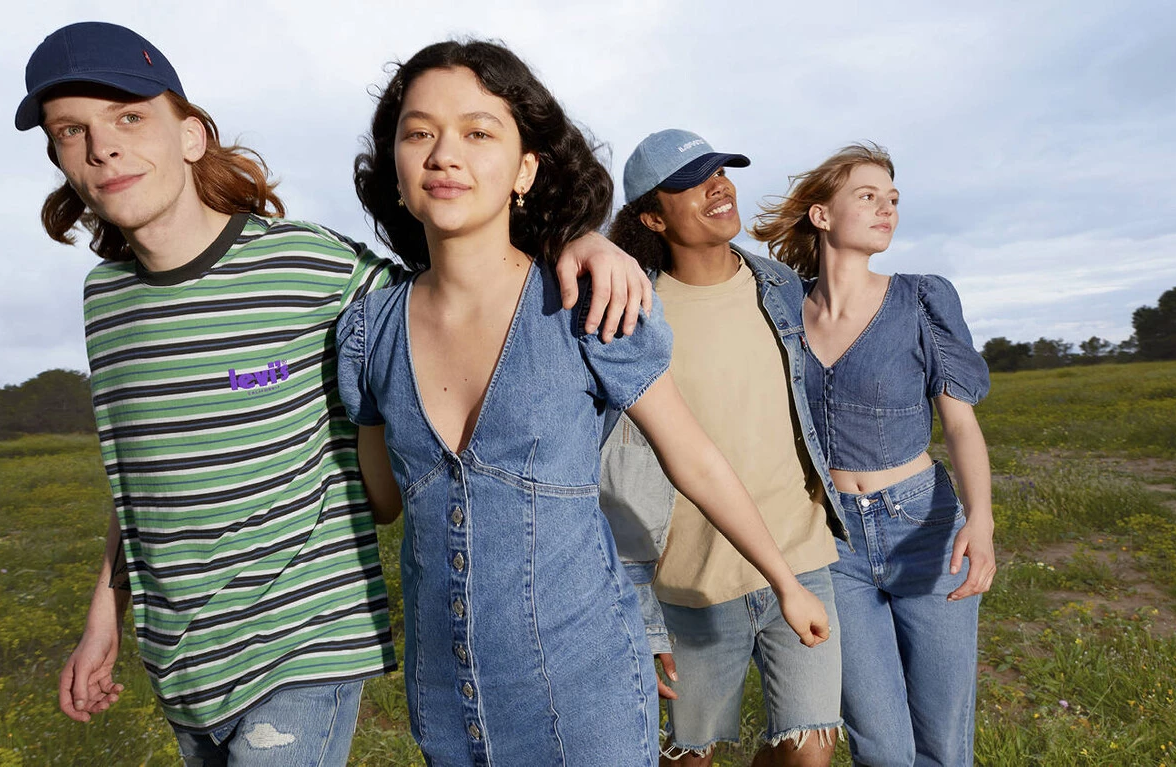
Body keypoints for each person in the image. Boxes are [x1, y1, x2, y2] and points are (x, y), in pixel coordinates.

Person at [17, 21, 654, 766]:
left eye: (128, 117)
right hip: (184, 663)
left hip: (305, 642)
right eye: (71, 131)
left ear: (191, 134)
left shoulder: (311, 266)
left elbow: (461, 283)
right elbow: (142, 481)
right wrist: (106, 614)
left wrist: (574, 238)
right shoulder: (105, 302)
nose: (102, 147)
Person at [339, 41, 830, 766]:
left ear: (525, 170)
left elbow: (691, 456)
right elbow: (383, 499)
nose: (444, 155)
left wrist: (786, 582)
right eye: (419, 133)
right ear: (396, 166)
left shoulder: (588, 301)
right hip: (445, 702)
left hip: (586, 687)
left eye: (478, 133)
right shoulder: (368, 329)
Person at [600, 130, 848, 767]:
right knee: (690, 756)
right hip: (689, 581)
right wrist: (639, 605)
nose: (718, 186)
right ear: (653, 217)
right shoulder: (628, 310)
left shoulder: (780, 287)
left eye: (720, 171)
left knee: (810, 750)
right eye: (692, 181)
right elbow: (614, 467)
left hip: (798, 553)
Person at [750, 144, 995, 767]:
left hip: (925, 528)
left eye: (893, 199)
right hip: (830, 540)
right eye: (867, 197)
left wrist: (982, 519)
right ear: (821, 215)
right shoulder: (781, 307)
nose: (887, 209)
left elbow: (960, 424)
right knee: (880, 747)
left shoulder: (921, 299)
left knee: (942, 743)